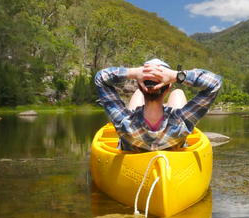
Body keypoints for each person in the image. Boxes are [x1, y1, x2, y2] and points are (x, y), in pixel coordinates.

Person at [93, 58, 222, 151]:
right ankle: (164, 107)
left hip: (134, 133)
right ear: (168, 88)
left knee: (138, 94)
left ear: (140, 84)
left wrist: (134, 73)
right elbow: (215, 83)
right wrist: (176, 75)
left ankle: (149, 104)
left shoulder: (124, 123)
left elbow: (101, 78)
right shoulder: (181, 123)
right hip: (172, 134)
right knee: (178, 93)